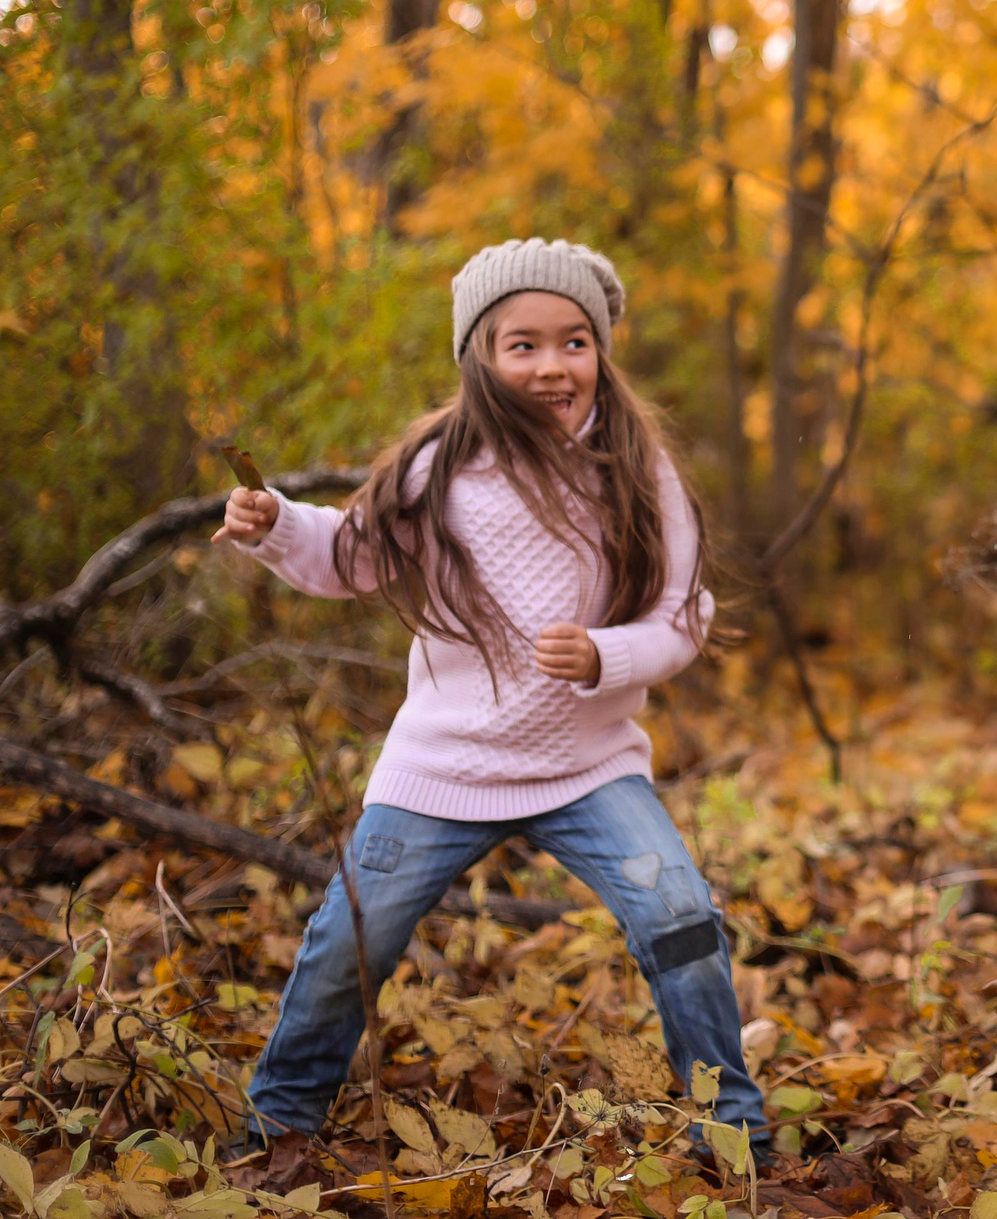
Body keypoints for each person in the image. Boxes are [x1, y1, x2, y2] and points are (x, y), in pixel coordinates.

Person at [219, 238, 765, 1183]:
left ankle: (733, 1131)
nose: (553, 365)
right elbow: (352, 555)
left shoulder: (637, 468)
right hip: (445, 765)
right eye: (524, 344)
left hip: (589, 766)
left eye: (575, 341)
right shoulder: (437, 464)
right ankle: (279, 1122)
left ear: (601, 351)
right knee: (352, 935)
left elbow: (682, 616)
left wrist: (607, 654)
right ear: (479, 353)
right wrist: (279, 525)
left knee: (681, 916)